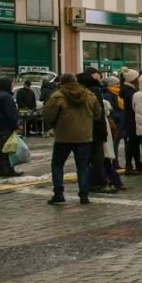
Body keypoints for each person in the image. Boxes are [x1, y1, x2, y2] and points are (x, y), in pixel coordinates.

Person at [41, 73, 99, 205]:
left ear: (62, 82)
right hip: (84, 136)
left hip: (63, 136)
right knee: (82, 167)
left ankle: (58, 193)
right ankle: (84, 195)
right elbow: (97, 114)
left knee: (57, 164)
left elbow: (48, 115)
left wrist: (55, 125)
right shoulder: (89, 95)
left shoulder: (57, 96)